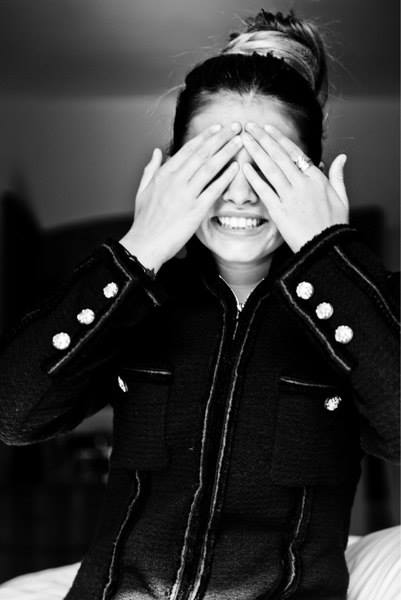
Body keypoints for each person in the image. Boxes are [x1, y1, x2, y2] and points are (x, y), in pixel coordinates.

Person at [0, 8, 399, 600]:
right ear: (172, 174)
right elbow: (13, 416)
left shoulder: (362, 307)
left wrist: (327, 257)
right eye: (214, 165)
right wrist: (138, 250)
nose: (239, 193)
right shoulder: (138, 298)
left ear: (311, 177)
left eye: (268, 166)